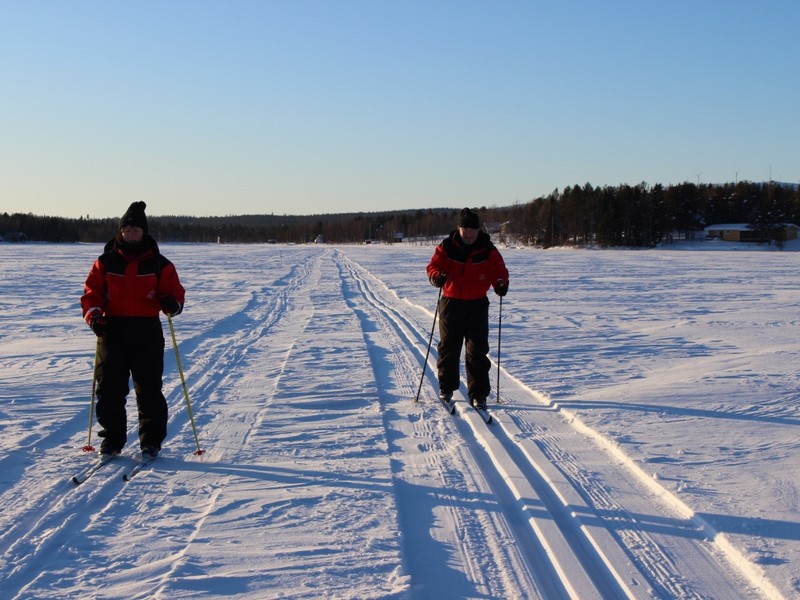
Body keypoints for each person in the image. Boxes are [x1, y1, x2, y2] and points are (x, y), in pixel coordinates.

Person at [81, 202, 186, 458]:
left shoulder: (160, 264)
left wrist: (172, 304)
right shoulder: (105, 262)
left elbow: (176, 295)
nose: (131, 234)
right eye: (127, 229)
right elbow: (91, 295)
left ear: (144, 232)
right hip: (111, 331)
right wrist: (94, 318)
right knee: (109, 391)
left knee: (149, 390)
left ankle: (150, 442)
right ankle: (111, 441)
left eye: (136, 229)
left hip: (146, 332)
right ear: (120, 232)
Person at [426, 208, 509, 410]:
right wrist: (437, 277)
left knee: (477, 351)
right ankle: (446, 388)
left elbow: (499, 270)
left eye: (472, 229)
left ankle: (479, 394)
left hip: (477, 305)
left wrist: (500, 283)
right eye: (465, 229)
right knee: (448, 348)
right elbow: (433, 267)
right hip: (451, 303)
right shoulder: (447, 247)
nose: (469, 233)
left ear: (478, 230)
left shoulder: (487, 249)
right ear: (459, 228)